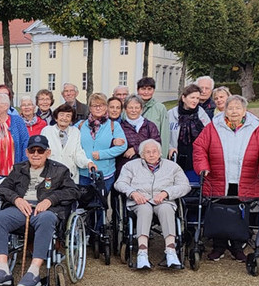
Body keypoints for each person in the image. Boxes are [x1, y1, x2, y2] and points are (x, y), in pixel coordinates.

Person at [0, 135, 80, 286]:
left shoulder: (60, 170)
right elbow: (2, 189)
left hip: (45, 211)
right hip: (21, 209)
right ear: (27, 152)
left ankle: (34, 271)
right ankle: (3, 270)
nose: (36, 154)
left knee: (47, 219)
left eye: (40, 150)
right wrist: (17, 199)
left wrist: (51, 200)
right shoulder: (18, 168)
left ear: (47, 153)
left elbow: (73, 191)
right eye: (32, 150)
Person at [193, 95, 259, 262]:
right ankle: (219, 246)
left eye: (238, 108)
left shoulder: (256, 127)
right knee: (219, 212)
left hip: (245, 179)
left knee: (240, 213)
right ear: (225, 110)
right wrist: (203, 167)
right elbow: (199, 148)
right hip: (218, 177)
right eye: (230, 108)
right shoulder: (213, 126)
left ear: (244, 110)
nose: (234, 111)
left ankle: (238, 247)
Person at [114, 140, 190, 269]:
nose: (151, 155)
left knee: (166, 209)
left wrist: (166, 192)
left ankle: (171, 251)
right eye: (147, 152)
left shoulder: (172, 167)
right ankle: (142, 253)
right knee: (145, 209)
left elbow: (185, 186)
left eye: (154, 151)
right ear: (142, 154)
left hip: (163, 200)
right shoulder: (130, 166)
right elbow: (120, 183)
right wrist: (133, 193)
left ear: (160, 153)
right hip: (140, 201)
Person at [78, 93, 127, 192]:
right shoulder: (80, 125)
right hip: (84, 173)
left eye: (102, 105)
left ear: (106, 108)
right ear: (90, 108)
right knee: (84, 204)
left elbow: (122, 146)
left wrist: (101, 154)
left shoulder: (114, 126)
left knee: (100, 204)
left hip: (104, 173)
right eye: (95, 105)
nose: (98, 108)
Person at [167, 84, 211, 183]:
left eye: (197, 98)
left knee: (193, 185)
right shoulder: (171, 114)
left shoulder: (202, 114)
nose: (195, 101)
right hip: (176, 155)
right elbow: (165, 135)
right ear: (183, 98)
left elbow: (208, 135)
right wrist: (169, 147)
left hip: (194, 157)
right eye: (192, 97)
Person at [41, 104, 95, 183]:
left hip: (70, 176)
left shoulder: (75, 132)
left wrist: (88, 163)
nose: (64, 118)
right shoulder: (47, 131)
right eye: (61, 115)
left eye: (68, 116)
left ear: (71, 120)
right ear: (56, 118)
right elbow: (42, 153)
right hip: (50, 176)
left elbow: (78, 153)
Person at [117, 95, 161, 172]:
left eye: (137, 108)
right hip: (127, 167)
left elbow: (156, 144)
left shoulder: (150, 126)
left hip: (147, 167)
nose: (134, 110)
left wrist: (136, 149)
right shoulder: (120, 127)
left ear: (141, 109)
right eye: (130, 108)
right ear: (125, 109)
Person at [137, 77, 170, 158]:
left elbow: (164, 134)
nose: (146, 92)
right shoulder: (131, 106)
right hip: (134, 153)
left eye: (149, 89)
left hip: (152, 154)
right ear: (138, 90)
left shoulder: (160, 108)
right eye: (143, 89)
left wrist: (163, 157)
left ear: (153, 90)